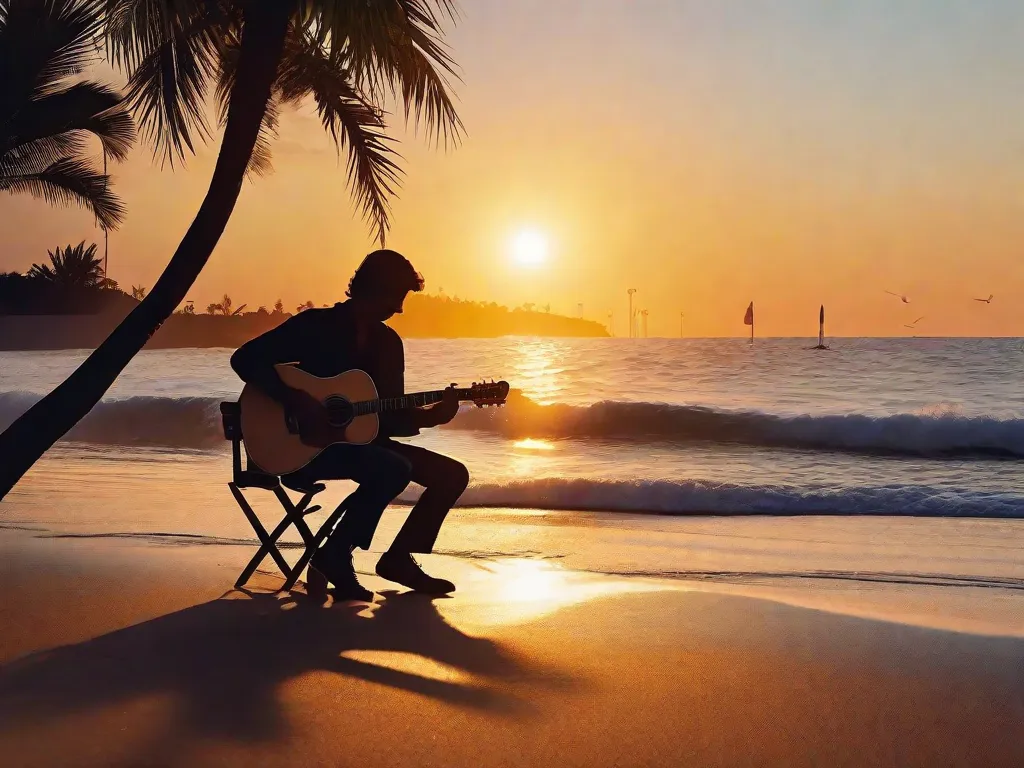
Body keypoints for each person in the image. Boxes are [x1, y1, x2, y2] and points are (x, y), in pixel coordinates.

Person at [230, 250, 468, 601]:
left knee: (452, 474)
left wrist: (433, 415)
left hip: (361, 446)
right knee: (391, 467)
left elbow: (387, 420)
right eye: (396, 297)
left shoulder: (388, 344)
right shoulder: (315, 326)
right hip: (303, 451)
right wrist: (294, 398)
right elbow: (244, 359)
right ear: (372, 289)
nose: (400, 309)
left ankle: (398, 559)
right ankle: (335, 555)